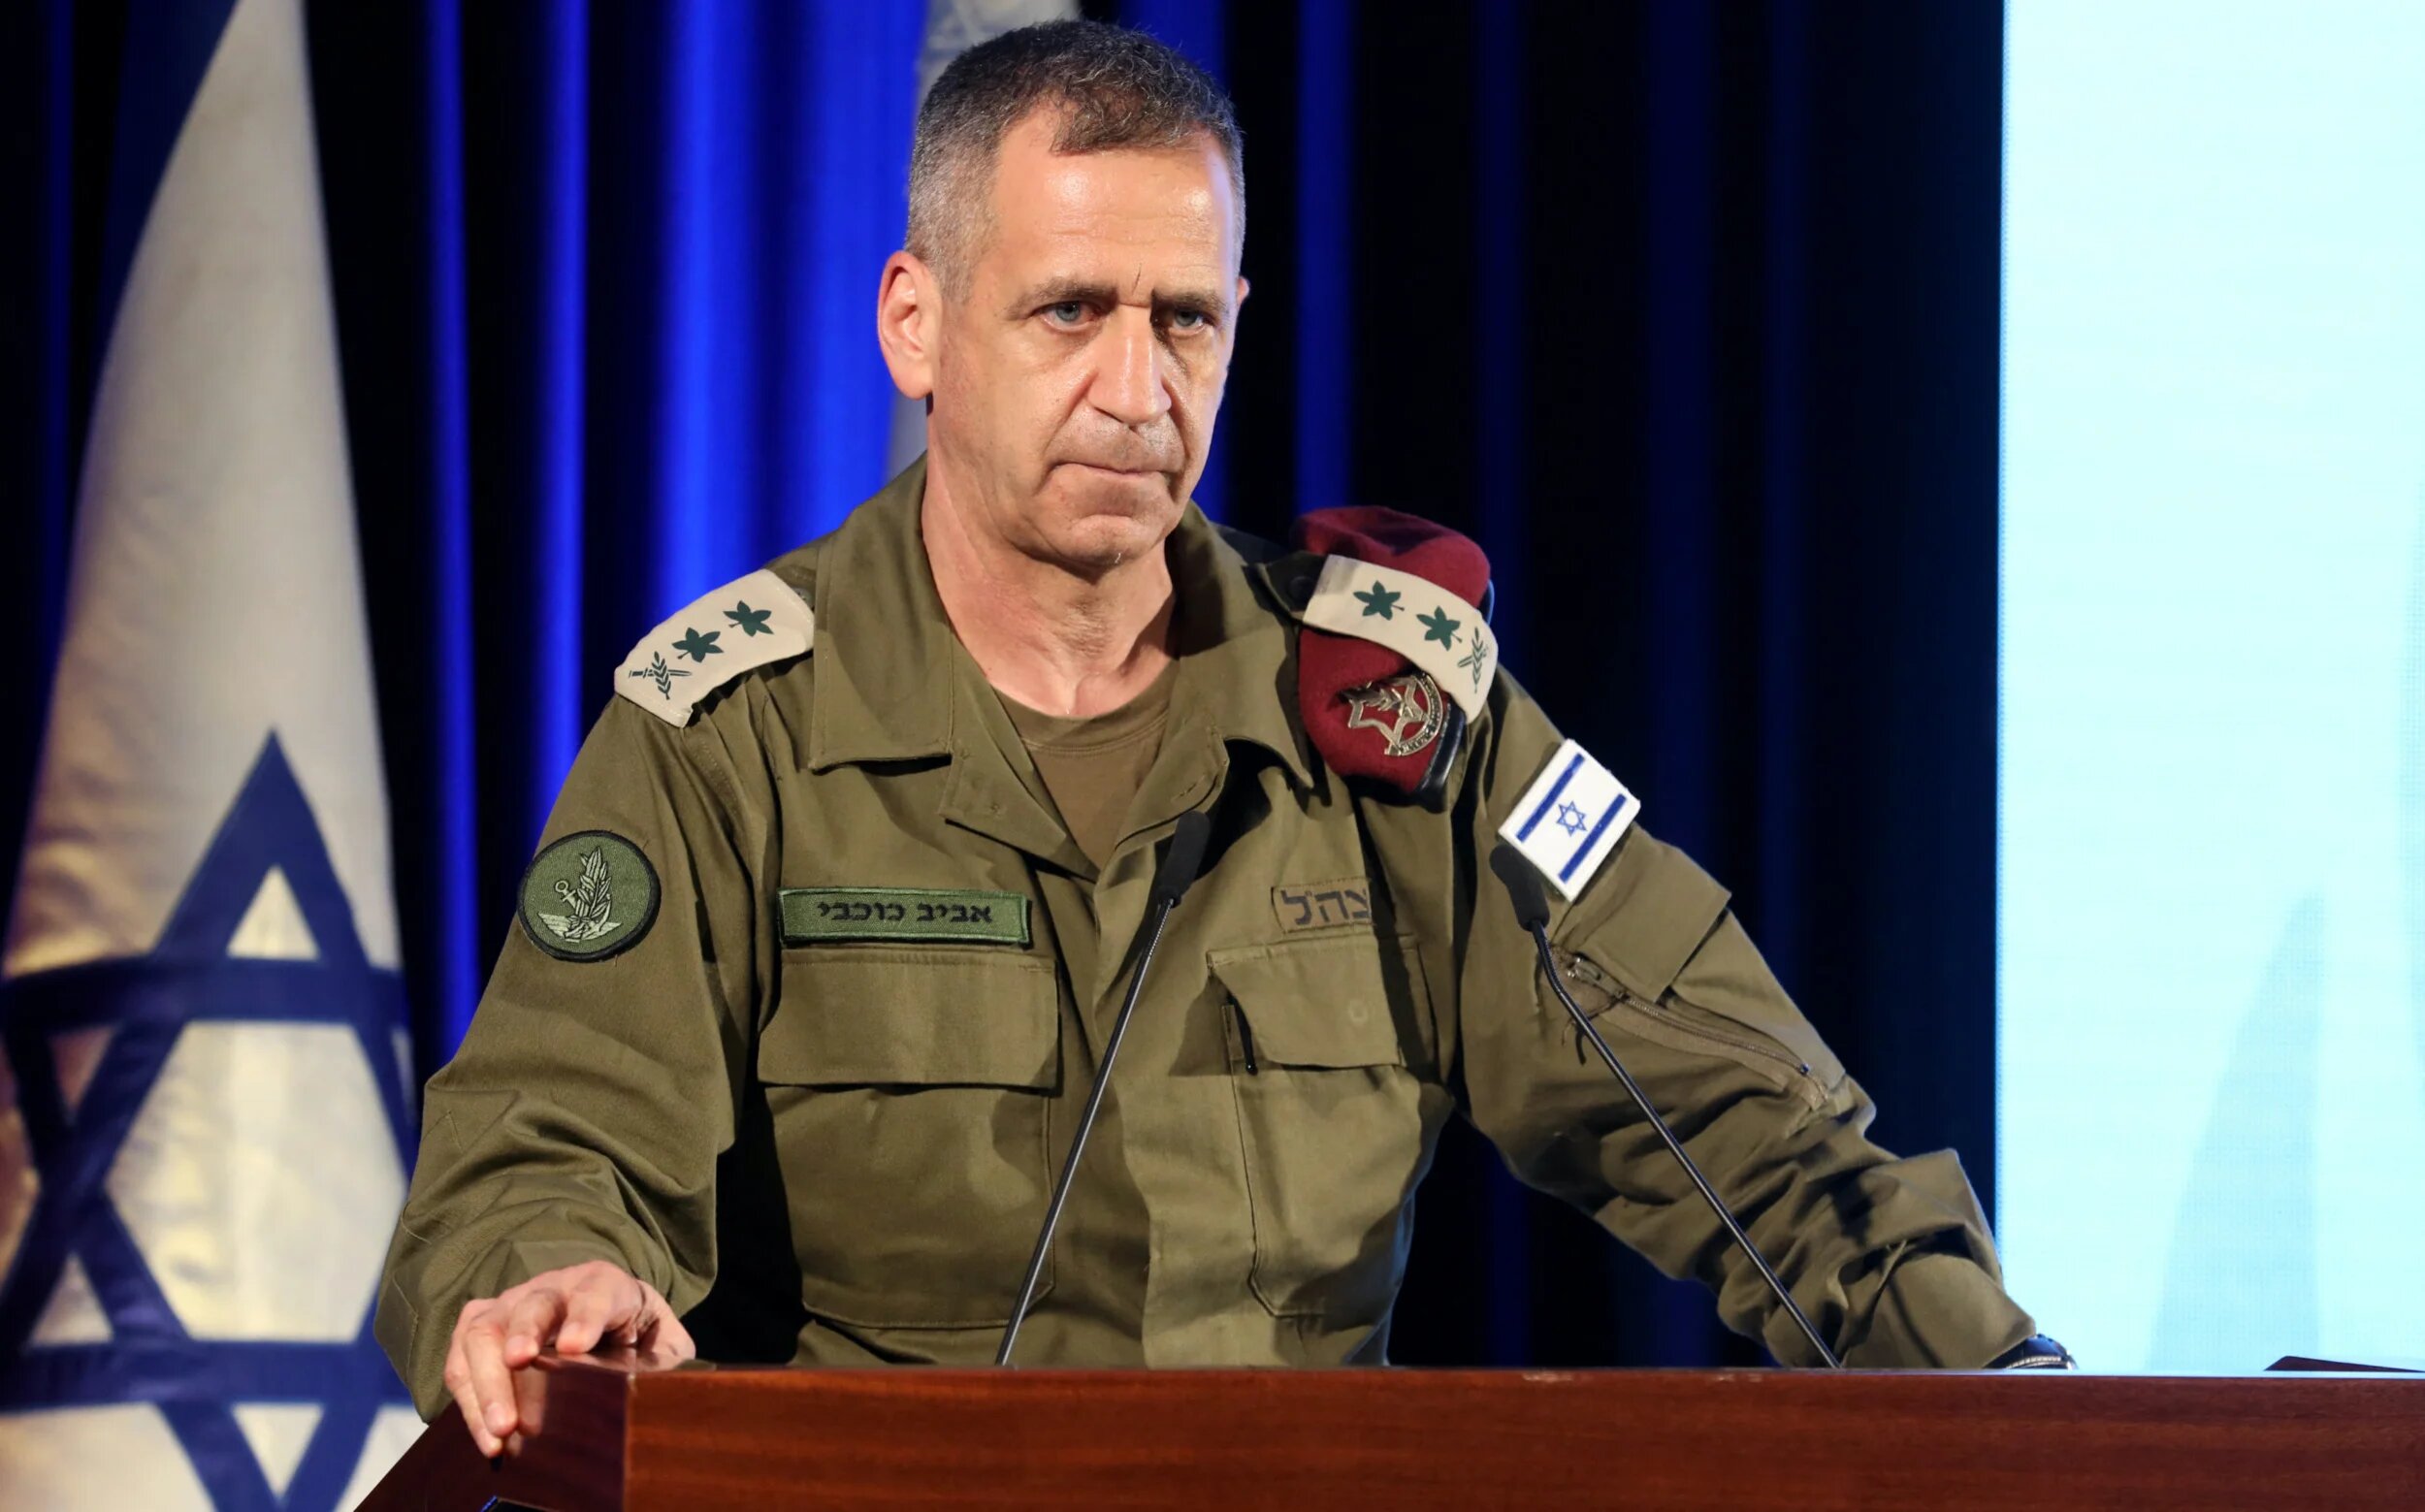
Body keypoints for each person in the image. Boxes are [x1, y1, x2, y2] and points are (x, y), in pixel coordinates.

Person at [375, 20, 2062, 1458]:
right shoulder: (730, 732)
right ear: (915, 325)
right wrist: (556, 1275)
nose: (1137, 388)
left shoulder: (1397, 716)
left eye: (1184, 318)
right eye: (1068, 312)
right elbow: (551, 1139)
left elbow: (1749, 1120)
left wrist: (2016, 1396)